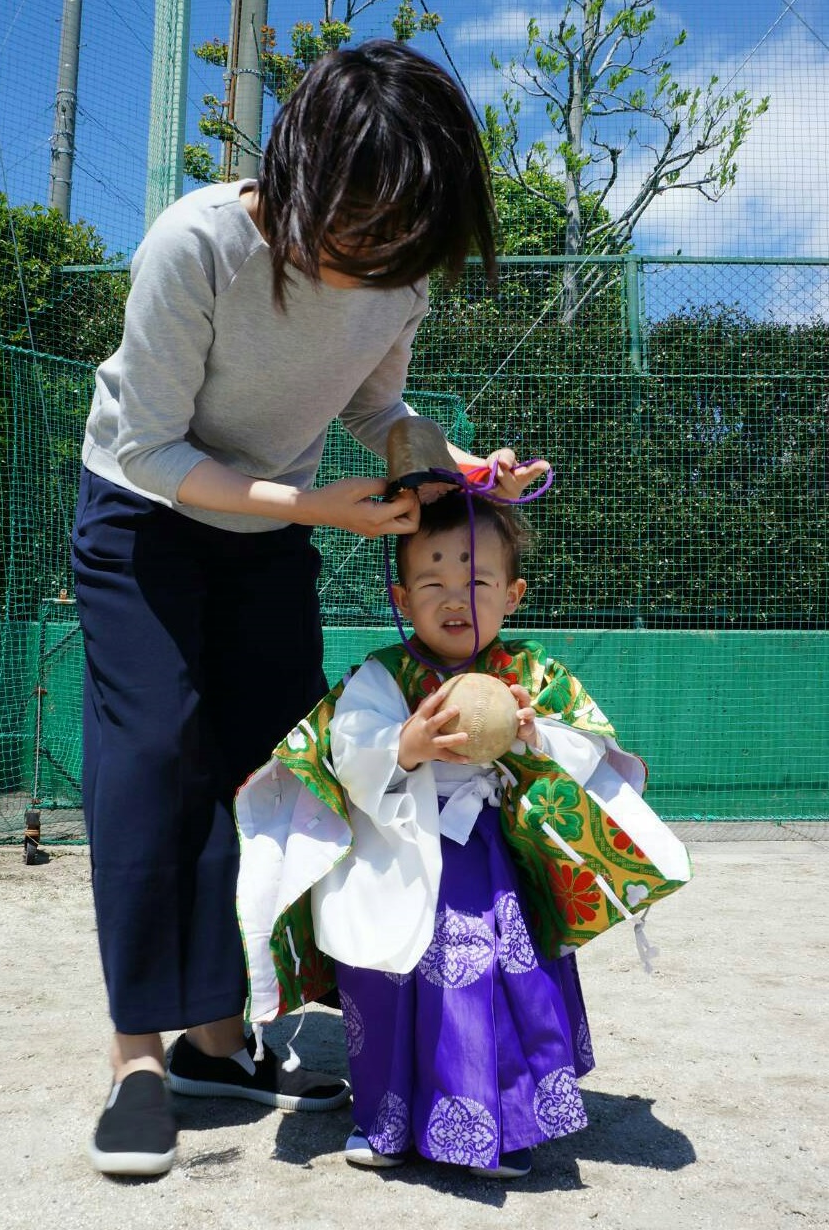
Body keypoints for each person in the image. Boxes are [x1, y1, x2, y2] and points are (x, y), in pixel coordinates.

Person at [71, 39, 550, 1177]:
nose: (372, 258)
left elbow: (380, 407)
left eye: (401, 235)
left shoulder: (398, 273)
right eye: (357, 227)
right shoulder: (197, 244)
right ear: (299, 170)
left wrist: (453, 463)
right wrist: (310, 506)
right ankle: (138, 1061)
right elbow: (148, 446)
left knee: (278, 769)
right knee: (153, 759)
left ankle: (220, 1045)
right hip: (144, 515)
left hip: (273, 527)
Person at [234, 492, 689, 1179]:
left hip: (491, 860)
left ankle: (499, 1128)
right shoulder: (383, 675)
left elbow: (589, 748)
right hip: (396, 858)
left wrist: (536, 735)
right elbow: (348, 749)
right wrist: (404, 745)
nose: (455, 598)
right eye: (432, 583)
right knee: (386, 990)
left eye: (476, 581)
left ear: (513, 594)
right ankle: (384, 1121)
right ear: (401, 597)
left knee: (498, 984)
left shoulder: (530, 673)